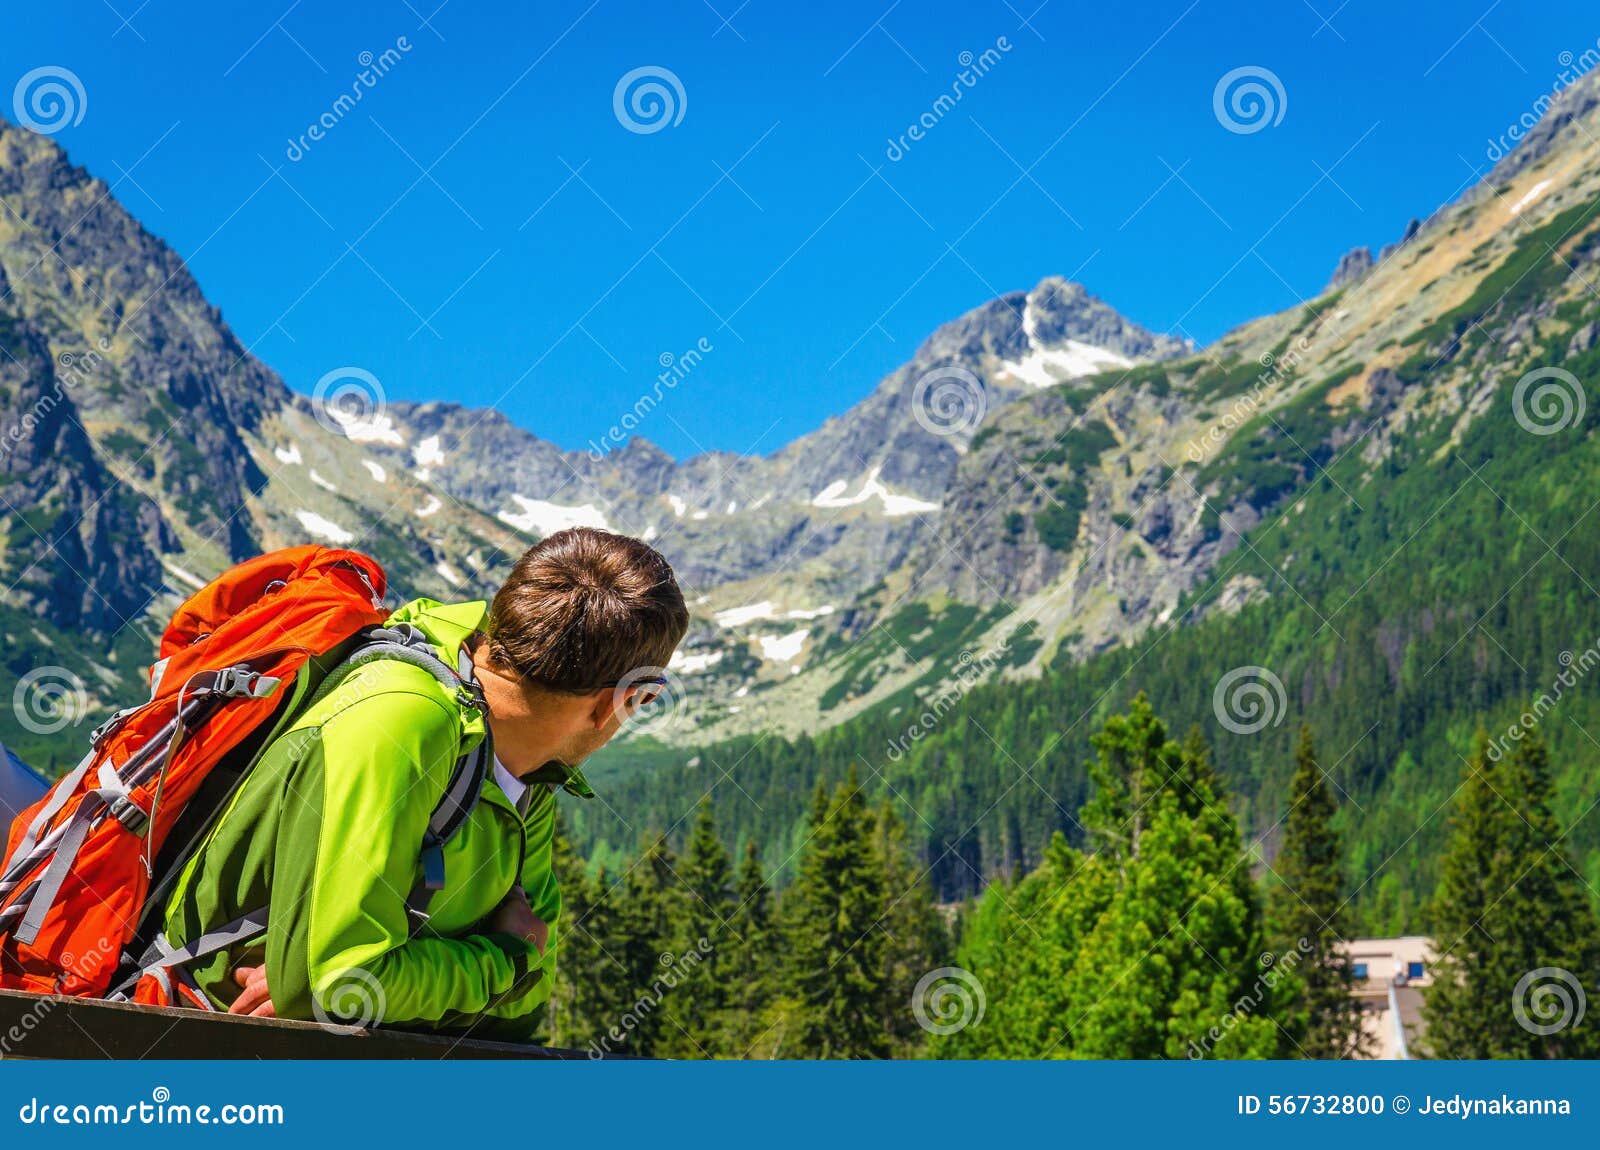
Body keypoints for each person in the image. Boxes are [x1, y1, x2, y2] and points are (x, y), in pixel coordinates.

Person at [154, 526, 688, 1039]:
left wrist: (396, 979)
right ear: (617, 701)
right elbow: (340, 986)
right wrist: (504, 959)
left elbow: (523, 1009)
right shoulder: (401, 721)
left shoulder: (533, 775)